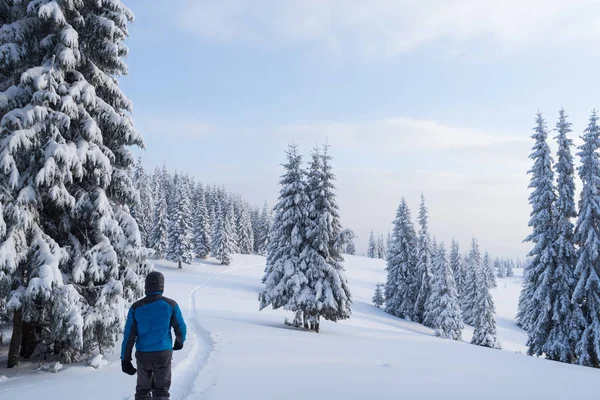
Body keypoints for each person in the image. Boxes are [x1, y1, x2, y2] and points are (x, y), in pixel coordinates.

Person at [121, 271, 187, 400]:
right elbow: (181, 327)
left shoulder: (136, 307)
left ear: (146, 286)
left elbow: (129, 336)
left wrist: (125, 360)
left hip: (143, 355)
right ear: (162, 286)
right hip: (163, 353)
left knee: (142, 391)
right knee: (161, 391)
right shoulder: (170, 305)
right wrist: (179, 341)